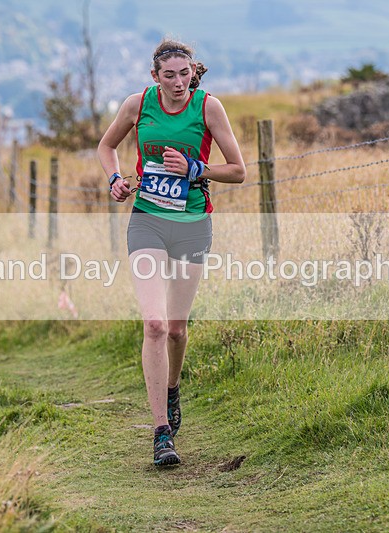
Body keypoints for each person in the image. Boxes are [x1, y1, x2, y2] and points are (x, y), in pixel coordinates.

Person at [98, 39, 246, 466]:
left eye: (185, 74)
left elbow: (238, 170)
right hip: (146, 220)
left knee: (178, 330)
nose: (179, 83)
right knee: (156, 325)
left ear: (192, 72)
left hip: (191, 225)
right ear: (154, 77)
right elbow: (106, 147)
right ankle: (162, 432)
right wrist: (115, 180)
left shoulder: (208, 108)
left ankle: (172, 387)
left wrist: (196, 168)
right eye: (169, 75)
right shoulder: (137, 104)